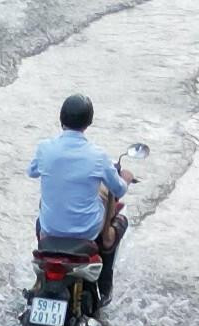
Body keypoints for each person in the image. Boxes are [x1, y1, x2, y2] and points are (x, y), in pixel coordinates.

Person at [28, 93, 129, 274]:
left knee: (42, 213)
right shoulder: (98, 155)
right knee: (119, 216)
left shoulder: (45, 148)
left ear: (61, 118)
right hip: (86, 231)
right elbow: (118, 188)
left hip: (50, 229)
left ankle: (40, 276)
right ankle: (105, 280)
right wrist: (126, 178)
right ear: (89, 122)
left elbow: (32, 171)